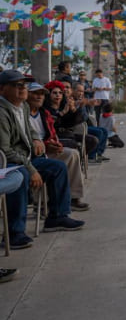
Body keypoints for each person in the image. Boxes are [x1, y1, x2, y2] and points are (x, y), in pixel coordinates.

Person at [0, 69, 84, 250]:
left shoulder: (22, 107)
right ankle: (14, 233)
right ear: (2, 89)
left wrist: (38, 140)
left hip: (28, 157)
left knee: (58, 167)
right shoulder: (2, 112)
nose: (23, 89)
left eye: (24, 85)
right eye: (17, 85)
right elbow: (5, 151)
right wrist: (31, 169)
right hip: (9, 164)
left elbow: (28, 131)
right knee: (21, 174)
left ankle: (56, 216)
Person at [26, 82, 90, 210]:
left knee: (72, 153)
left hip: (48, 147)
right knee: (60, 164)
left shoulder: (43, 113)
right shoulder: (22, 113)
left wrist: (55, 143)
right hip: (30, 155)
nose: (39, 97)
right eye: (35, 94)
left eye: (41, 94)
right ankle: (45, 203)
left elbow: (59, 128)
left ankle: (73, 197)